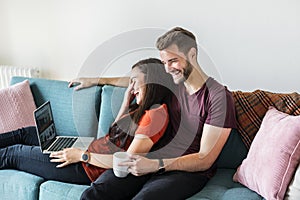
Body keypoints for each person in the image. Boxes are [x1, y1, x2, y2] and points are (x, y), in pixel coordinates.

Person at [74, 27, 237, 200]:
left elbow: (205, 158)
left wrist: (156, 165)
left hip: (186, 172)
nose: (167, 69)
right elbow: (141, 79)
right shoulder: (175, 82)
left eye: (173, 61)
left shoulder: (218, 97)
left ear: (192, 54)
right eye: (164, 62)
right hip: (150, 160)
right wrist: (96, 80)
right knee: (93, 194)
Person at [0, 58, 174, 185]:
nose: (132, 87)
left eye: (135, 81)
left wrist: (81, 155)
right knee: (27, 132)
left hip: (87, 168)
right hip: (89, 153)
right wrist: (125, 102)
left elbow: (127, 161)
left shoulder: (155, 115)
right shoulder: (141, 107)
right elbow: (115, 131)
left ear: (151, 82)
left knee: (13, 153)